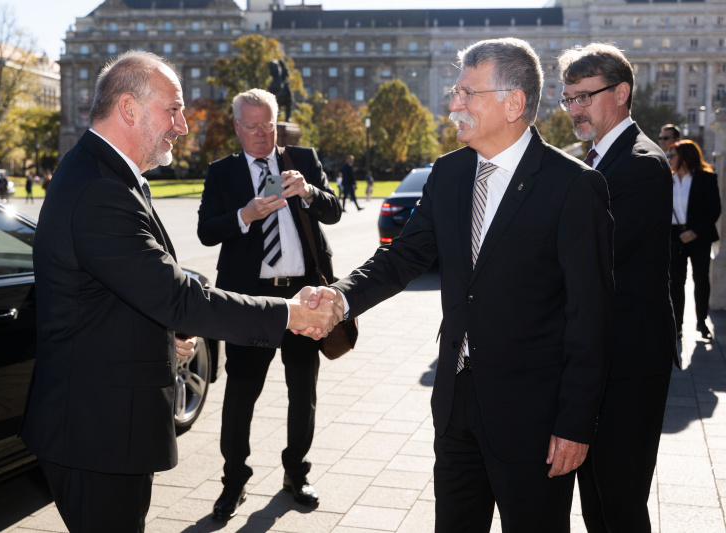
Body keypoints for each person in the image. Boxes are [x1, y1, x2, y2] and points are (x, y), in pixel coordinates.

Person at [19, 51, 340, 533]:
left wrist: (161, 335)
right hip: (96, 433)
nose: (183, 126)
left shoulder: (108, 174)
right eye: (173, 110)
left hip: (102, 426)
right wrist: (289, 315)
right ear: (129, 109)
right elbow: (175, 295)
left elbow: (119, 289)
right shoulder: (100, 188)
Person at [304, 37, 614, 533]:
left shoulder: (573, 186)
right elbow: (403, 256)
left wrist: (575, 424)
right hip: (456, 406)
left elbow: (590, 315)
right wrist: (340, 297)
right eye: (455, 91)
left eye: (467, 93)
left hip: (532, 417)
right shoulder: (448, 174)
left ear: (513, 102)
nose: (453, 104)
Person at [198, 88, 342, 520]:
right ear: (237, 127)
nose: (262, 135)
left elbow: (333, 212)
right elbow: (207, 231)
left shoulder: (302, 159)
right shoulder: (222, 172)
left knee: (303, 391)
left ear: (277, 124)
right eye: (252, 126)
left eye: (269, 125)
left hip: (301, 296)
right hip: (250, 300)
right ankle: (234, 480)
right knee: (241, 393)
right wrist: (245, 215)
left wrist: (310, 192)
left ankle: (296, 473)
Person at [557, 42, 679, 533]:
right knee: (597, 504)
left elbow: (597, 259)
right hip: (600, 359)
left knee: (620, 503)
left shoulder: (642, 164)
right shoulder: (598, 160)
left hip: (628, 364)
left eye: (585, 97)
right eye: (569, 99)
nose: (574, 110)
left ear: (622, 92)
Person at [668, 139, 720, 339]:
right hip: (674, 236)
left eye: (672, 155)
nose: (669, 159)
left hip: (699, 236)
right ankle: (677, 326)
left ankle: (701, 322)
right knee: (675, 282)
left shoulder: (706, 179)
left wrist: (695, 232)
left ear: (685, 157)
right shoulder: (667, 179)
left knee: (700, 279)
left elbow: (714, 209)